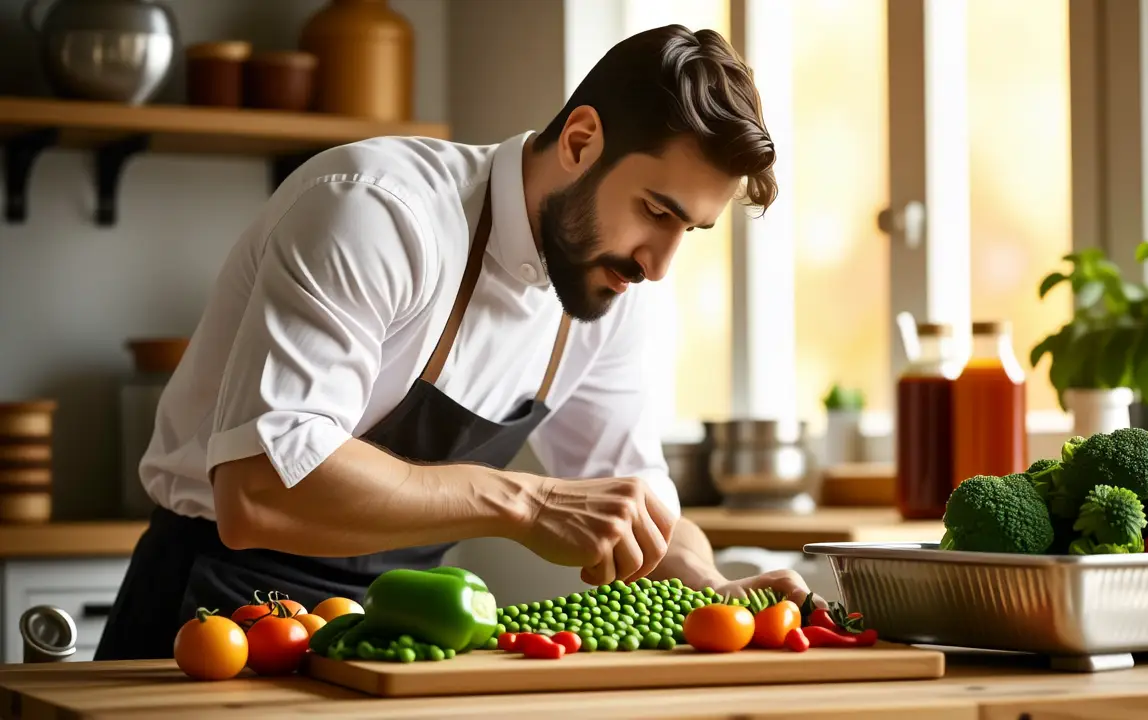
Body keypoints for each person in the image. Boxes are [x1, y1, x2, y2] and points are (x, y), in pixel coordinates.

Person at [95, 24, 814, 660]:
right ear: (580, 141)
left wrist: (716, 588)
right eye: (656, 210)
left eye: (688, 230)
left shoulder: (609, 288)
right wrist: (526, 504)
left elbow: (635, 506)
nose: (659, 265)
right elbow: (258, 490)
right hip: (216, 612)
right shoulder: (377, 211)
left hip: (400, 627)